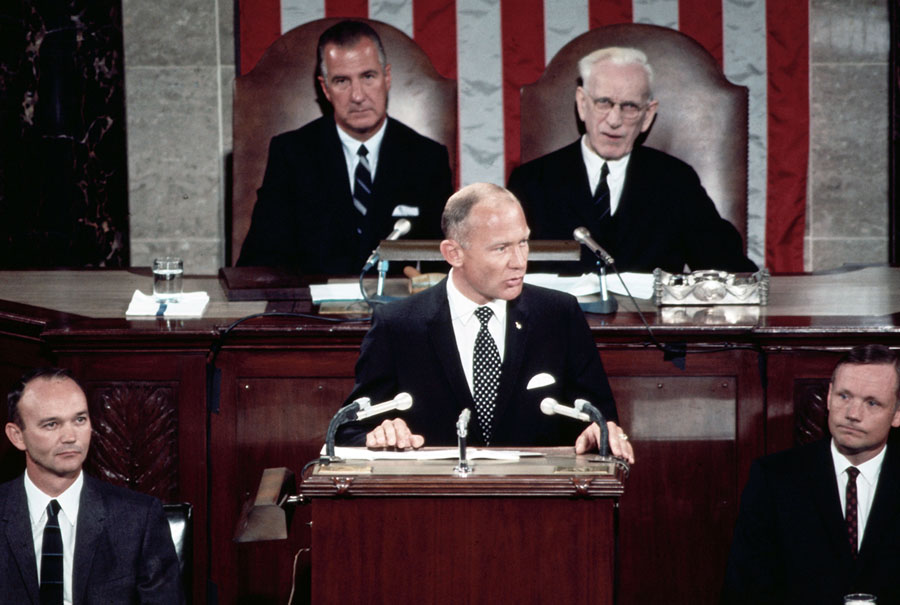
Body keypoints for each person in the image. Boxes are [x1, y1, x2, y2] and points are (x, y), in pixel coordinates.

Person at [336, 183, 634, 463]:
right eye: (501, 248)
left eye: (523, 243)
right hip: (436, 504)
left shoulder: (558, 314)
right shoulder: (399, 324)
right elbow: (347, 432)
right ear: (454, 253)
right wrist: (379, 434)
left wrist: (600, 432)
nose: (519, 261)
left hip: (537, 500)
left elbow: (601, 418)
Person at [507, 46, 757, 275]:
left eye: (629, 107)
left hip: (647, 323)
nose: (614, 120)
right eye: (604, 102)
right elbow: (503, 272)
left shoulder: (675, 181)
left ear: (647, 115)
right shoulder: (531, 182)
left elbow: (729, 268)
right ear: (583, 104)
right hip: (561, 323)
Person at [237, 20, 453, 273]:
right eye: (342, 81)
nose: (358, 96)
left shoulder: (427, 158)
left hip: (396, 309)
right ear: (326, 89)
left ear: (387, 77)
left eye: (368, 76)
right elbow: (258, 261)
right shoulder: (292, 154)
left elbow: (446, 264)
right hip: (312, 310)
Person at [722, 345, 900, 604]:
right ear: (828, 397)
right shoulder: (774, 479)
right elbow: (743, 592)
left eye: (872, 403)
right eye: (844, 396)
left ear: (896, 413)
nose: (852, 414)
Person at [0, 368, 184, 604]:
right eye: (51, 424)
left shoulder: (138, 519)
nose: (70, 437)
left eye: (79, 420)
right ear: (17, 436)